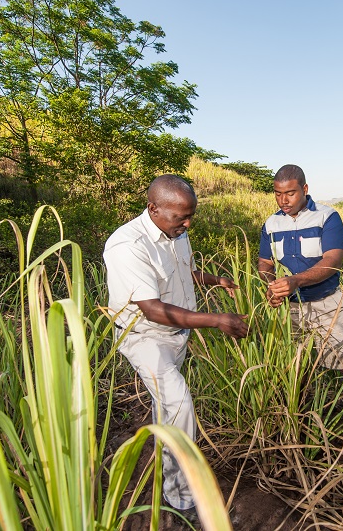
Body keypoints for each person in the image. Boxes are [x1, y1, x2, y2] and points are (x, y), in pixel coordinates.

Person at [104, 174, 249, 518]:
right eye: (179, 217)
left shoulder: (175, 231)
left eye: (190, 217)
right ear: (153, 208)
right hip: (144, 338)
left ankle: (166, 453)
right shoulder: (129, 245)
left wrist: (216, 280)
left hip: (176, 335)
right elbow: (152, 308)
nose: (186, 224)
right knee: (180, 402)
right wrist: (217, 320)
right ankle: (181, 495)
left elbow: (184, 273)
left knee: (167, 405)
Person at [257, 164, 343, 401]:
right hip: (290, 310)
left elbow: (333, 260)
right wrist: (272, 285)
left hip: (327, 305)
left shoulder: (327, 217)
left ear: (304, 189)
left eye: (290, 193)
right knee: (297, 367)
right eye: (277, 194)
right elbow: (265, 263)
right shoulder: (271, 224)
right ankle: (302, 416)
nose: (283, 200)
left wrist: (295, 280)